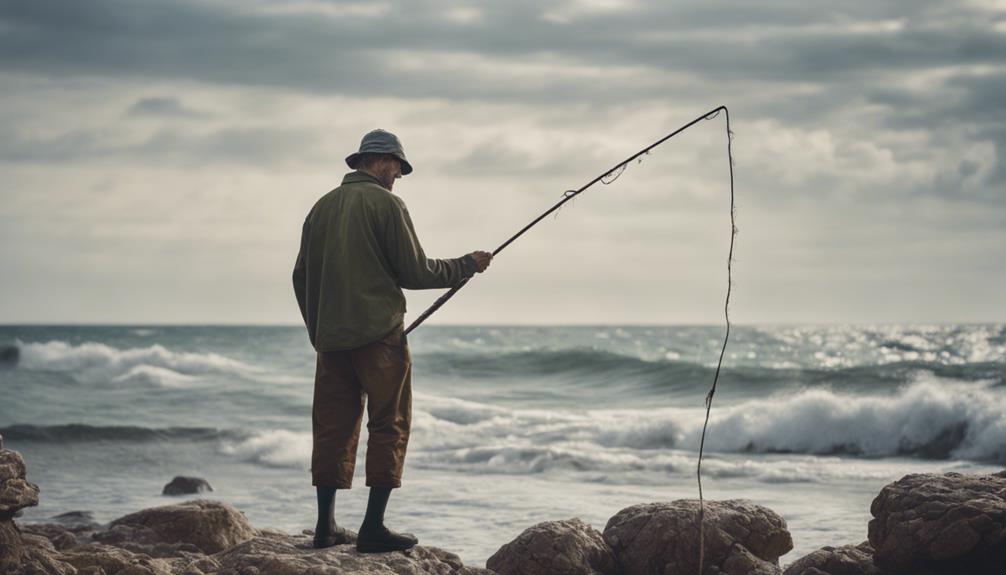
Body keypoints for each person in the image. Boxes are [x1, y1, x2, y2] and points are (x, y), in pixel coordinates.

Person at [292, 129, 492, 553]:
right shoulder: (386, 204)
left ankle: (325, 528)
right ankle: (372, 529)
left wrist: (319, 329)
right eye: (398, 170)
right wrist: (465, 265)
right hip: (379, 338)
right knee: (389, 424)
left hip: (331, 342)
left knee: (331, 429)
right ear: (381, 161)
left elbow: (300, 277)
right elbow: (415, 272)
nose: (397, 178)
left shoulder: (321, 207)